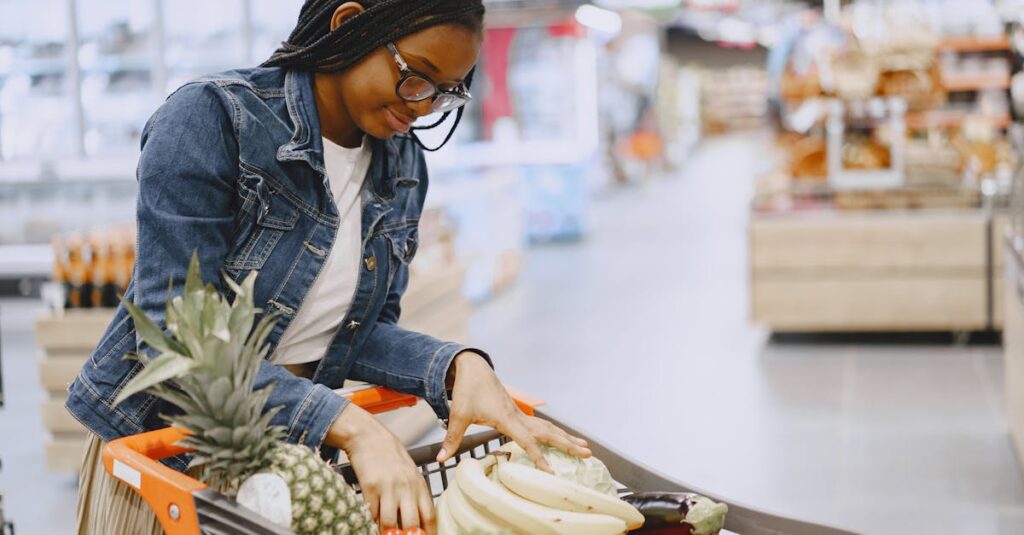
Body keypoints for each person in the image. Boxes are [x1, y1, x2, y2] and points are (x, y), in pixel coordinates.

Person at [67, 1, 591, 533]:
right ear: (348, 23)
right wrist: (350, 426)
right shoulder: (213, 119)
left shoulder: (402, 163)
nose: (424, 107)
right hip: (167, 458)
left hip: (293, 457)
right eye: (417, 78)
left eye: (447, 91)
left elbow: (360, 332)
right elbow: (174, 337)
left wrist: (458, 365)